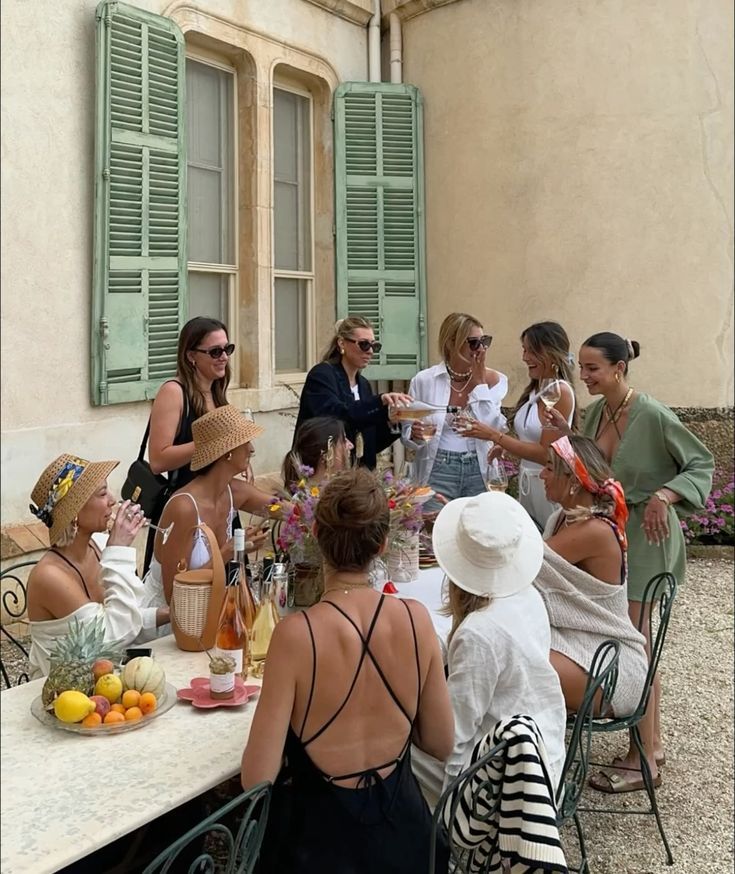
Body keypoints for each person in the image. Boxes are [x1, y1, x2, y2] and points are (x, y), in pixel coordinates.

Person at [241, 467, 454, 873]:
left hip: (319, 848)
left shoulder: (296, 636)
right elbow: (442, 743)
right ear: (383, 544)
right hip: (405, 844)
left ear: (316, 536)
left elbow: (257, 778)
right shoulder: (415, 619)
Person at [547, 332, 714, 792]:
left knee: (635, 640)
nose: (583, 376)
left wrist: (664, 495)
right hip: (611, 533)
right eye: (581, 367)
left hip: (647, 534)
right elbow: (591, 469)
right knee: (633, 638)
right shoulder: (597, 411)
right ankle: (651, 745)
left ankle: (643, 758)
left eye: (592, 368)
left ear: (619, 368)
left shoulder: (653, 414)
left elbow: (700, 462)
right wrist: (566, 435)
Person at [411, 491, 567, 806]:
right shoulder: (527, 596)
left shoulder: (479, 633)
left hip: (505, 786)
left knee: (392, 741)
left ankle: (424, 827)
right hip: (546, 751)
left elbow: (452, 737)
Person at [26, 454, 170, 678]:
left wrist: (170, 614)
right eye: (102, 493)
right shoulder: (50, 576)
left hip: (104, 678)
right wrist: (118, 551)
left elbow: (126, 616)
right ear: (75, 512)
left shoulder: (99, 545)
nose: (113, 500)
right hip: (63, 691)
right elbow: (112, 636)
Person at [535, 435, 648, 719]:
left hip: (611, 661)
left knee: (512, 660)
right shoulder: (560, 519)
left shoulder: (594, 531)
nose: (541, 474)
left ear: (573, 481)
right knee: (501, 646)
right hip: (577, 641)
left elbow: (524, 564)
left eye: (549, 468)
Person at [141, 405, 277, 611]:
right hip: (167, 621)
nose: (251, 449)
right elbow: (174, 596)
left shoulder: (235, 491)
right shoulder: (183, 508)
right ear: (227, 453)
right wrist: (228, 552)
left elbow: (283, 509)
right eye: (245, 442)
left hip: (207, 612)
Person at [141, 317, 234, 573]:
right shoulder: (174, 392)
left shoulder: (217, 392)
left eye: (228, 349)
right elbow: (158, 459)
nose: (224, 357)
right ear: (191, 356)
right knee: (183, 588)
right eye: (215, 351)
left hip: (218, 505)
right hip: (185, 509)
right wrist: (213, 444)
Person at [464, 321, 577, 530]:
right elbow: (530, 439)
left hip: (547, 487)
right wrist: (507, 447)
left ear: (551, 352)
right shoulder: (536, 391)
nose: (525, 358)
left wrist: (495, 436)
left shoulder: (559, 392)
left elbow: (546, 454)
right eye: (524, 350)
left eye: (531, 351)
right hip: (529, 485)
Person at [401, 312, 507, 510]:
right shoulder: (424, 380)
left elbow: (492, 427)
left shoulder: (495, 380)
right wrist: (414, 435)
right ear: (451, 343)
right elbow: (407, 433)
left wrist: (480, 383)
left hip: (479, 467)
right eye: (474, 343)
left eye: (485, 341)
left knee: (477, 526)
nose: (481, 349)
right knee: (434, 526)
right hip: (438, 466)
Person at [295, 317, 412, 471]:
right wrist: (380, 401)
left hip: (357, 476)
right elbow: (337, 416)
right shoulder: (322, 375)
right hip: (321, 472)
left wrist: (394, 422)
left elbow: (369, 444)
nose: (370, 351)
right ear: (342, 343)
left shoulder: (364, 385)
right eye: (364, 344)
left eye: (374, 346)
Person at [282, 417, 354, 488]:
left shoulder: (348, 490)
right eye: (343, 441)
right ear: (325, 453)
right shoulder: (303, 494)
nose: (351, 445)